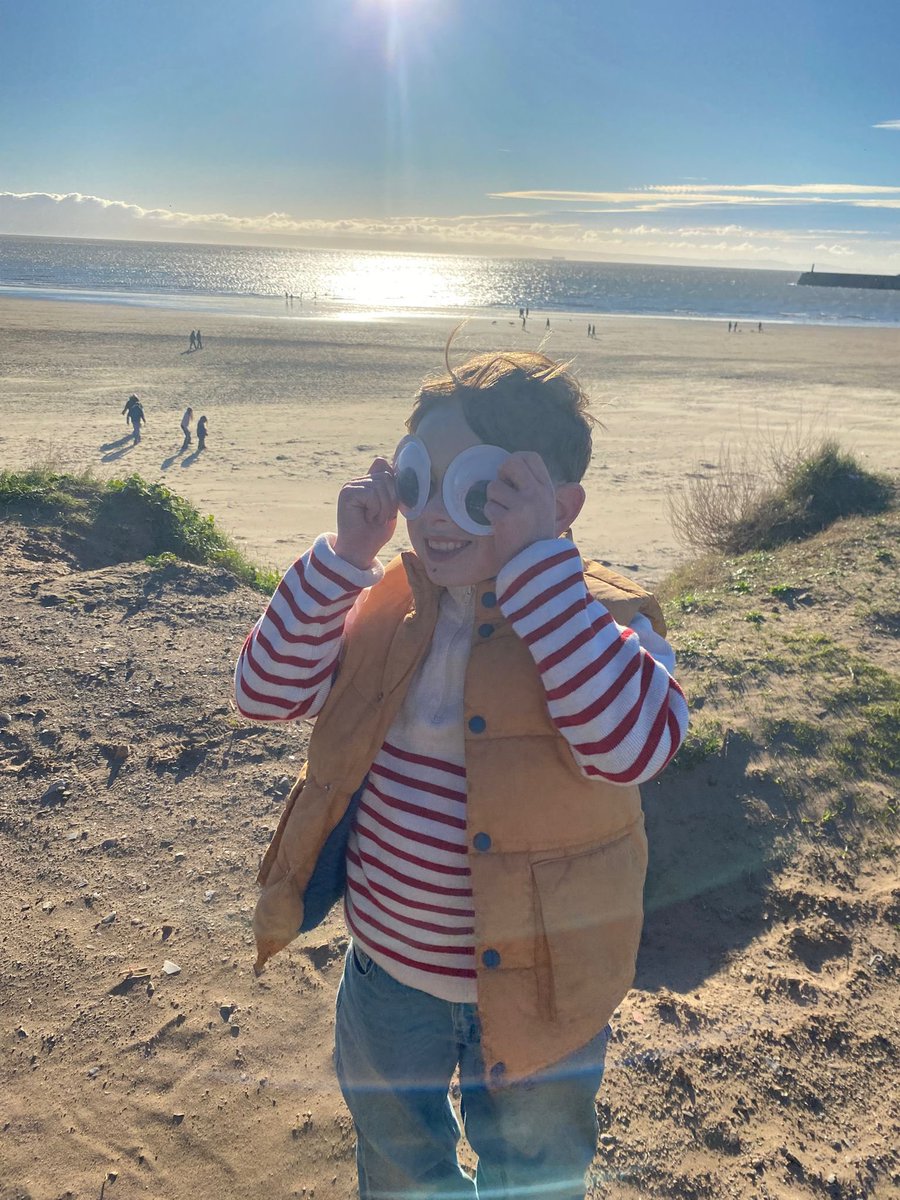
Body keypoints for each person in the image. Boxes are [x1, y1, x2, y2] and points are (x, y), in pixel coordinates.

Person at [234, 344, 689, 1199]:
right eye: (418, 483)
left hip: (542, 986)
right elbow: (263, 692)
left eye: (481, 492)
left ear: (559, 508)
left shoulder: (601, 622)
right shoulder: (383, 606)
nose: (437, 515)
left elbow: (632, 745)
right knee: (399, 1162)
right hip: (386, 972)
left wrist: (540, 576)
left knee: (534, 1174)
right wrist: (342, 559)